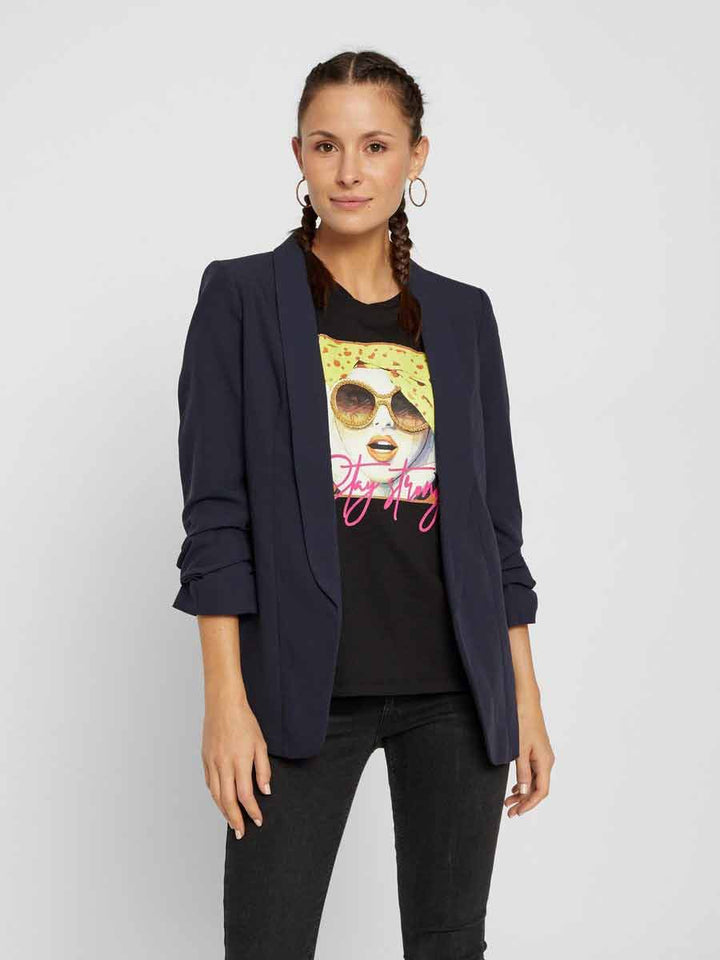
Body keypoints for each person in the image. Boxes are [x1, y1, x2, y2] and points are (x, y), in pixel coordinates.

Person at [172, 50, 555, 960]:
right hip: (301, 693)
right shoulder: (242, 298)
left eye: (376, 145)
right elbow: (216, 517)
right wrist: (225, 701)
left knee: (449, 945)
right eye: (327, 145)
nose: (350, 171)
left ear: (416, 156)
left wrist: (525, 698)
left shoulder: (462, 316)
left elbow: (495, 529)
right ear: (298, 156)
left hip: (457, 693)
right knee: (267, 944)